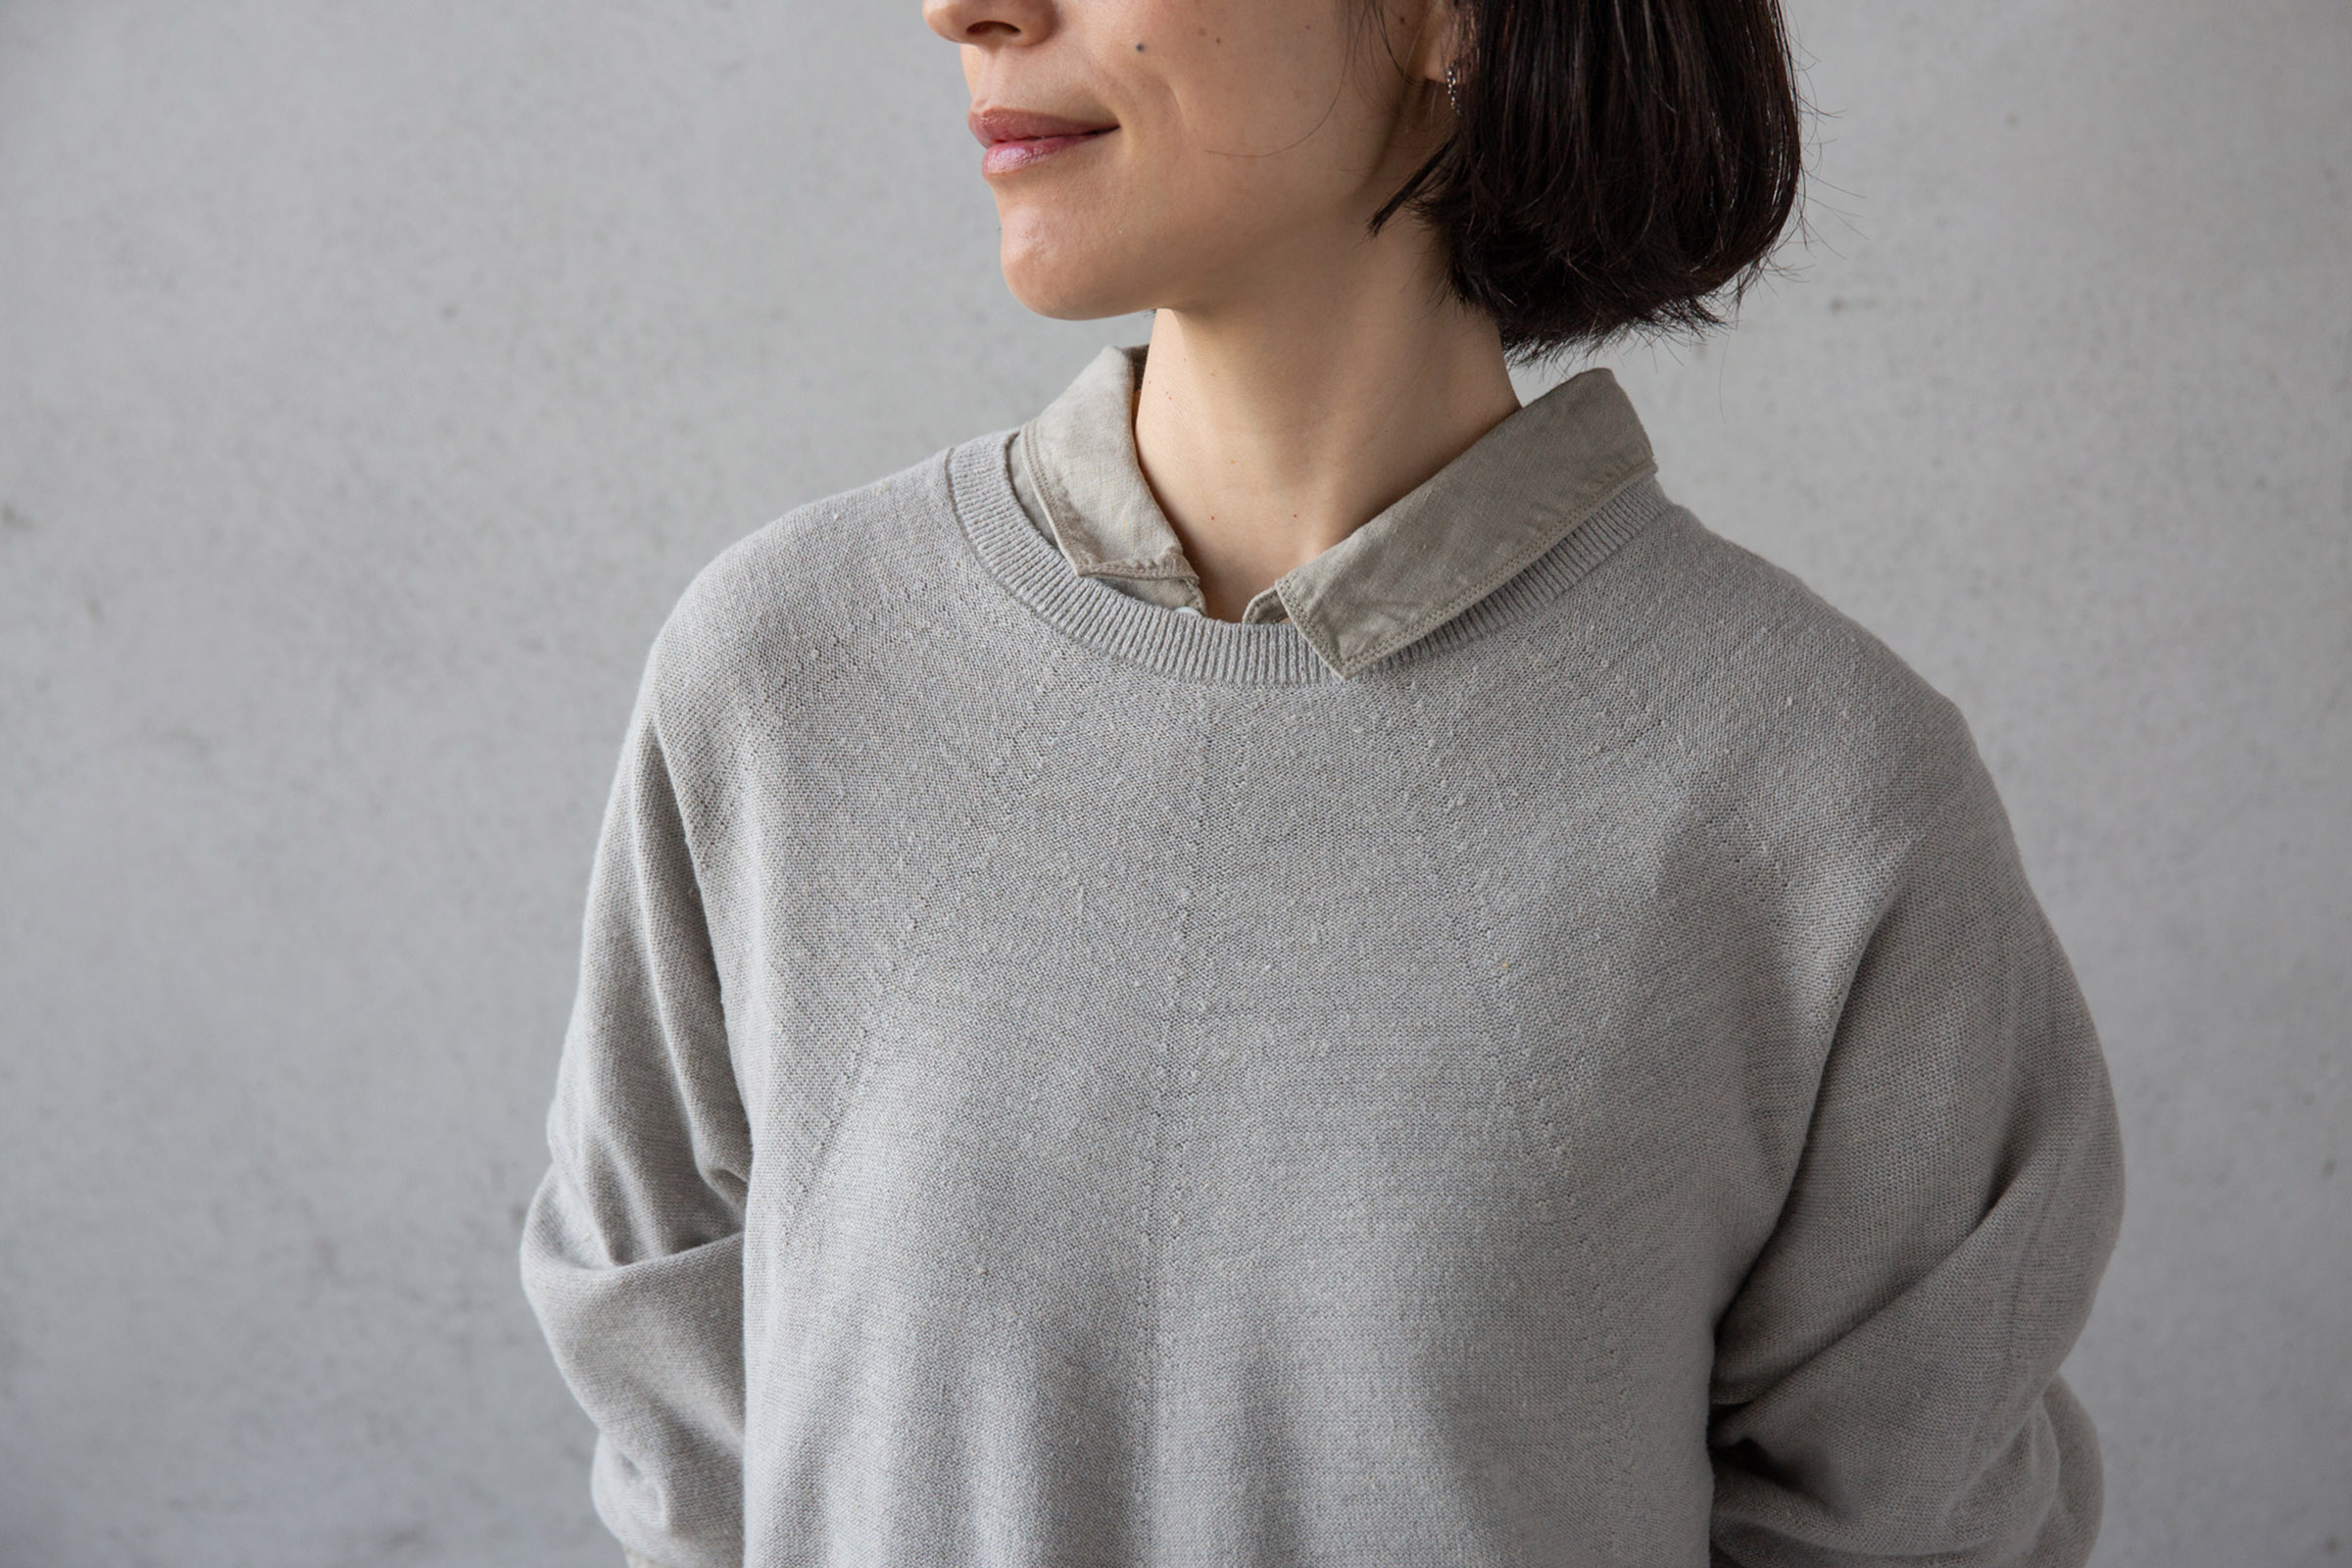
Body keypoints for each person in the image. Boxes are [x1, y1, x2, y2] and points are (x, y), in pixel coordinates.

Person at [519, 0, 2126, 1563]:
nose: (965, 13)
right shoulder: (786, 682)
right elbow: (689, 1452)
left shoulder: (1817, 801)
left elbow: (1914, 1520)